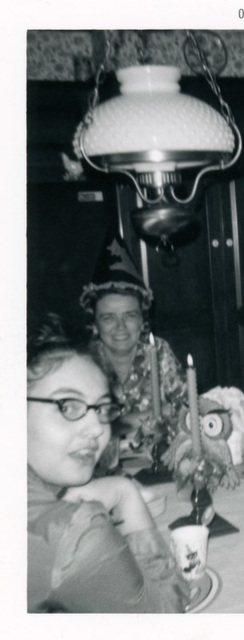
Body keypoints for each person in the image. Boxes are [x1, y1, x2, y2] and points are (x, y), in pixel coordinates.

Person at [27, 313, 189, 612]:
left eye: (102, 410)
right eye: (68, 405)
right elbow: (166, 611)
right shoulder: (78, 534)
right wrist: (124, 492)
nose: (97, 429)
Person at [79, 236, 188, 455]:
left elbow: (188, 410)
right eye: (109, 317)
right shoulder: (82, 362)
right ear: (95, 324)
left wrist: (118, 422)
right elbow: (78, 426)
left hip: (156, 459)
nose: (121, 327)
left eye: (130, 315)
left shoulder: (158, 352)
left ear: (142, 321)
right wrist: (140, 418)